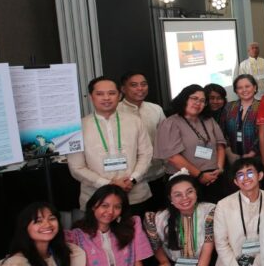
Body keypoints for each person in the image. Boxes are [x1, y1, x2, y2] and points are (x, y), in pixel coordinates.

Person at [69, 76, 154, 214]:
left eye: (111, 93)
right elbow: (76, 167)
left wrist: (132, 179)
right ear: (91, 96)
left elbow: (146, 154)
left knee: (137, 234)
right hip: (96, 199)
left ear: (119, 95)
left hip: (135, 196)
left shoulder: (135, 121)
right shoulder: (77, 128)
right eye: (100, 94)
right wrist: (108, 184)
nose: (106, 98)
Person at [143, 174, 216, 266]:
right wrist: (163, 262)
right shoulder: (160, 218)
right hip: (176, 263)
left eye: (189, 192)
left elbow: (208, 248)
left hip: (203, 261)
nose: (185, 198)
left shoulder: (209, 211)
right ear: (170, 198)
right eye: (178, 195)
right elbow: (155, 245)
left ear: (196, 192)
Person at [155, 85, 228, 202]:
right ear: (184, 99)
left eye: (202, 101)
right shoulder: (170, 123)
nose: (198, 103)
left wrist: (219, 168)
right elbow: (173, 157)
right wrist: (200, 176)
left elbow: (220, 145)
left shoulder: (209, 120)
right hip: (185, 181)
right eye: (194, 98)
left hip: (214, 177)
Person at [118, 72, 165, 208]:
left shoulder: (156, 109)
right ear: (123, 89)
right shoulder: (115, 111)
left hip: (156, 173)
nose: (140, 88)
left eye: (143, 84)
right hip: (130, 179)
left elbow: (164, 141)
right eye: (134, 85)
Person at [220, 74, 260, 166]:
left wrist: (253, 152)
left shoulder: (262, 107)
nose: (244, 90)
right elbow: (222, 131)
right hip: (233, 158)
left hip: (257, 158)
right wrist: (228, 151)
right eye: (240, 88)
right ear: (236, 91)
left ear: (254, 87)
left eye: (247, 86)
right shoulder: (229, 107)